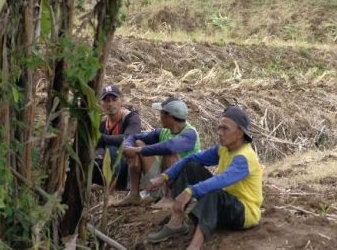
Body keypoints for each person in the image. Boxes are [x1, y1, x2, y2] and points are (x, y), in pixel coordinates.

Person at [144, 106, 263, 250]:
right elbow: (191, 158)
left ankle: (195, 245)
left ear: (239, 132)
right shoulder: (224, 148)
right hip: (223, 204)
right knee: (191, 165)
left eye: (225, 129)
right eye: (219, 128)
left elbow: (222, 180)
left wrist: (190, 191)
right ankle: (176, 222)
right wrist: (163, 177)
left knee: (214, 192)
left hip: (243, 213)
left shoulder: (245, 157)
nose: (219, 132)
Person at [113, 96, 201, 208]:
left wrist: (140, 150)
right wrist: (127, 147)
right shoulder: (164, 132)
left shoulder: (190, 134)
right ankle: (134, 194)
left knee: (169, 153)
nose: (160, 118)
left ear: (169, 116)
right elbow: (134, 136)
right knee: (138, 142)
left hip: (183, 183)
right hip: (162, 178)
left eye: (161, 114)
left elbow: (170, 146)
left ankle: (169, 197)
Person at [92, 85, 141, 193]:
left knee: (112, 150)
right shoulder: (102, 123)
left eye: (114, 100)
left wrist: (101, 138)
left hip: (128, 168)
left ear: (121, 101)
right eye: (106, 101)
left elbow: (129, 137)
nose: (110, 104)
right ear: (101, 104)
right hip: (106, 168)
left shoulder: (131, 118)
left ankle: (114, 189)